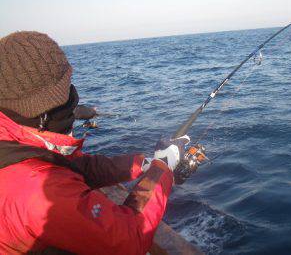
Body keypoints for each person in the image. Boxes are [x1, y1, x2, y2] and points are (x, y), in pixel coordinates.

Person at [0, 31, 188, 254]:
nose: (74, 102)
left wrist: (145, 164)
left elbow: (76, 167)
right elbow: (128, 239)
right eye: (69, 94)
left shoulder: (16, 142)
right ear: (44, 114)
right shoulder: (37, 191)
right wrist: (162, 170)